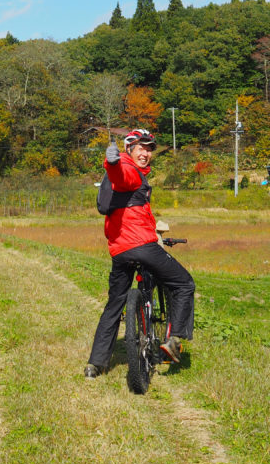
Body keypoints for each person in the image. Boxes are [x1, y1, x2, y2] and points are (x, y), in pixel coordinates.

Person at [84, 128, 196, 379]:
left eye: (149, 149)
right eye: (140, 148)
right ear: (128, 149)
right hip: (141, 246)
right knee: (184, 283)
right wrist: (111, 163)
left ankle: (95, 364)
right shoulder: (128, 170)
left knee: (114, 304)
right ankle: (174, 339)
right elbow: (121, 177)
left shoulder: (126, 173)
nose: (146, 153)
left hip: (119, 249)